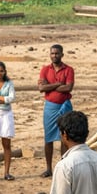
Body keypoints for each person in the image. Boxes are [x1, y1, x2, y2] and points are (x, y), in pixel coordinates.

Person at [37, 44, 74, 178]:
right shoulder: (45, 69)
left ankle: (63, 166)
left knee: (65, 137)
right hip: (50, 107)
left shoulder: (68, 70)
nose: (54, 56)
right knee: (48, 138)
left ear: (62, 55)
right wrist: (58, 84)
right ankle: (48, 168)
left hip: (65, 106)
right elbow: (41, 88)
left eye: (57, 53)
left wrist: (50, 86)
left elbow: (69, 88)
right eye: (52, 53)